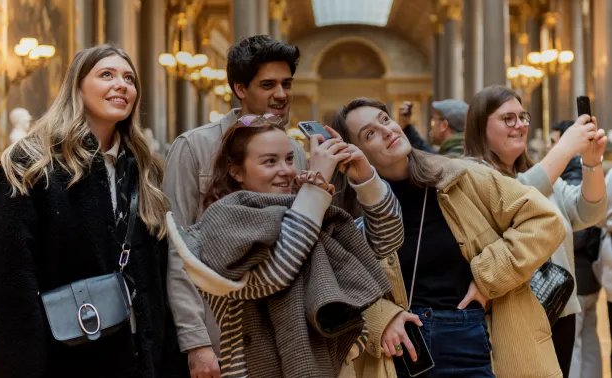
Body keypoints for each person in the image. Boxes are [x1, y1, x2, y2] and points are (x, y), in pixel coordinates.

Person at [0, 44, 186, 378]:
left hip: (141, 356)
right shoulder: (30, 164)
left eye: (129, 79)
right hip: (67, 359)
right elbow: (9, 282)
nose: (121, 85)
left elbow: (159, 275)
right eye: (106, 75)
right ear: (77, 87)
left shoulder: (145, 169)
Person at [331, 97, 566, 378]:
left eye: (385, 120)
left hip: (470, 338)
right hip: (399, 353)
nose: (386, 131)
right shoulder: (349, 211)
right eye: (370, 133)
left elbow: (545, 220)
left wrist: (488, 277)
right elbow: (340, 284)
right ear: (354, 154)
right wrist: (380, 318)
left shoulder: (460, 177)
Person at [167, 114, 404, 378]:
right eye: (270, 161)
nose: (286, 171)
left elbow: (385, 241)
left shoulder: (304, 211)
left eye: (289, 159)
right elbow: (275, 275)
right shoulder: (221, 220)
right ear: (236, 171)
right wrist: (313, 194)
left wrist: (366, 179)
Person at [163, 35, 307, 377]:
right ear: (240, 88)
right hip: (220, 330)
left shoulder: (296, 152)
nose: (281, 94)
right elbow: (177, 248)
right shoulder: (195, 147)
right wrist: (196, 342)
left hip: (281, 330)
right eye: (268, 85)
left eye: (286, 84)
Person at [464, 86, 607, 378]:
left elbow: (588, 212)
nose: (519, 125)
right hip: (511, 317)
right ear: (480, 125)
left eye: (522, 117)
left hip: (560, 309)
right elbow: (515, 201)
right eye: (508, 118)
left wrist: (591, 162)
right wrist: (564, 149)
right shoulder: (472, 174)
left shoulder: (543, 177)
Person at [547, 120, 604, 378]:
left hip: (575, 279)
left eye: (554, 140)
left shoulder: (567, 178)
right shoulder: (571, 176)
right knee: (589, 338)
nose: (551, 146)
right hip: (588, 275)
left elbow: (579, 234)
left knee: (577, 347)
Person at [398, 99, 468, 157]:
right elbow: (426, 152)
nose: (431, 130)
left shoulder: (449, 160)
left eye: (434, 121)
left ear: (444, 125)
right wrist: (406, 125)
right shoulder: (461, 151)